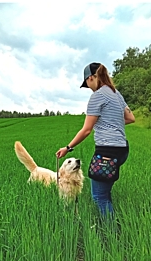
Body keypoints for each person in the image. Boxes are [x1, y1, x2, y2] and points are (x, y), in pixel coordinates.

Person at [56, 62, 135, 221]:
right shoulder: (116, 93)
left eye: (88, 83)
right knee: (105, 192)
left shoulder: (97, 96)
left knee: (99, 196)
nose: (89, 87)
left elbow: (86, 130)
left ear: (92, 77)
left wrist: (68, 148)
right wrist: (111, 123)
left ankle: (112, 234)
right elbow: (130, 118)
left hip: (107, 151)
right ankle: (111, 222)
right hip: (122, 150)